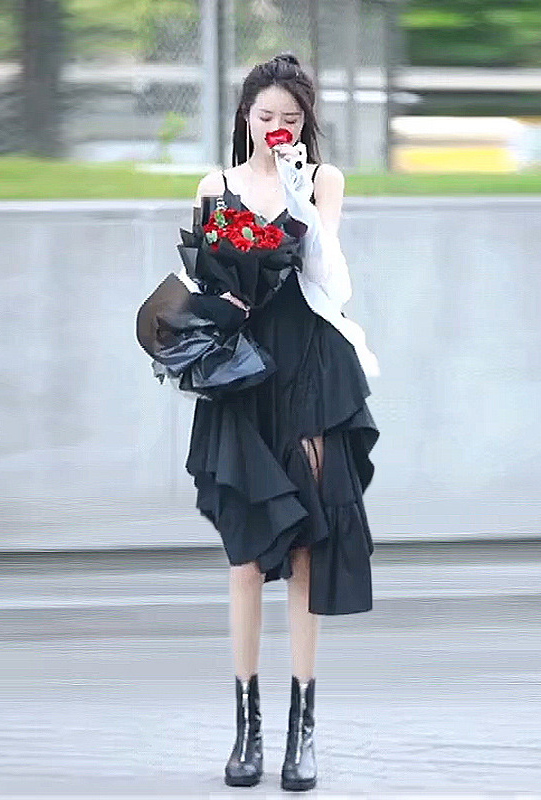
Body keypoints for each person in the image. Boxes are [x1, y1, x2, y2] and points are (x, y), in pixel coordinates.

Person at [186, 52, 379, 791]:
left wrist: (301, 202)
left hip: (307, 371)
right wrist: (217, 301)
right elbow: (203, 282)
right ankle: (248, 729)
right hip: (242, 378)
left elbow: (331, 283)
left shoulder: (323, 180)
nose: (276, 127)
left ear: (305, 124)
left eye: (290, 119)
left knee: (303, 549)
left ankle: (304, 731)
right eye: (265, 116)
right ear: (245, 115)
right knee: (243, 560)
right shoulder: (216, 186)